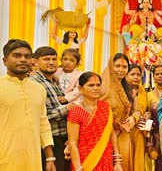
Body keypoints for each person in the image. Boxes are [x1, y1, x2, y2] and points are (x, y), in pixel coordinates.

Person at [0, 39, 56, 171]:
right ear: (5, 60)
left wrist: (50, 158)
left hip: (33, 159)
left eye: (27, 56)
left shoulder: (38, 89)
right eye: (17, 55)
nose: (23, 59)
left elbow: (43, 123)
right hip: (5, 159)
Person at [30, 46, 76, 171]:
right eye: (46, 59)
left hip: (62, 141)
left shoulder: (54, 81)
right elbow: (41, 115)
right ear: (35, 61)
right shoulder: (33, 82)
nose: (51, 62)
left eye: (54, 59)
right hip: (48, 142)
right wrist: (68, 108)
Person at [67, 72, 122, 171]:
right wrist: (78, 168)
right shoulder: (76, 112)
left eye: (98, 85)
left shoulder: (105, 107)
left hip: (106, 159)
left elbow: (112, 134)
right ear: (80, 89)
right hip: (85, 161)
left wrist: (117, 160)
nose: (96, 88)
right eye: (91, 85)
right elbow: (73, 143)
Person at [100, 53, 141, 171]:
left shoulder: (129, 90)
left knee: (124, 165)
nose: (121, 70)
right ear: (110, 66)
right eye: (117, 66)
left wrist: (134, 118)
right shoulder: (101, 86)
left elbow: (137, 110)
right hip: (105, 135)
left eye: (124, 67)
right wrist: (114, 123)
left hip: (124, 135)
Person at [146, 65, 162, 171]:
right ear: (153, 76)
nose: (160, 76)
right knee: (160, 163)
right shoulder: (149, 95)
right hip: (157, 136)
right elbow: (148, 116)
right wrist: (149, 141)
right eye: (157, 74)